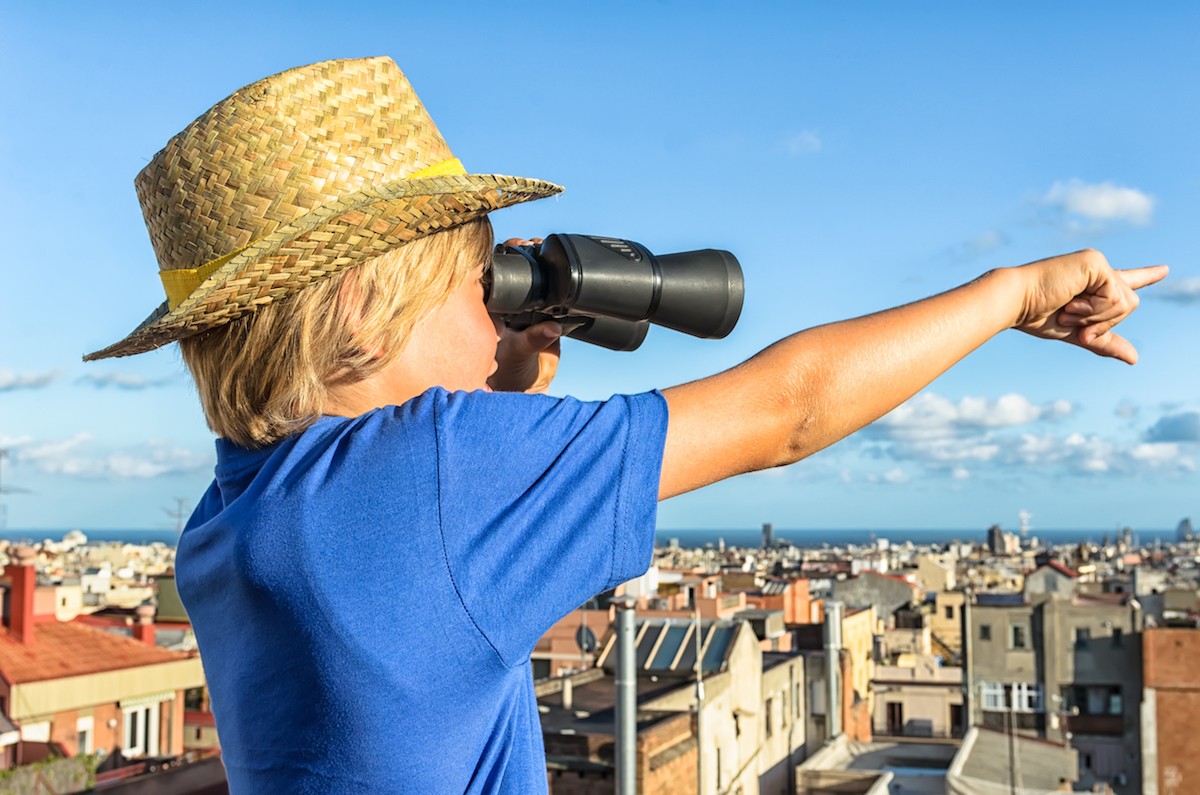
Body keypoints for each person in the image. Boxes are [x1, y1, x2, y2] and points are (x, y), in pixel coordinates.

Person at [84, 56, 1165, 793]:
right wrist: (1016, 290)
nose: (495, 308)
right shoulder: (439, 480)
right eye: (478, 286)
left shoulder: (237, 521)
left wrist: (510, 372)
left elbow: (427, 600)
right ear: (362, 307)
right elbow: (788, 410)